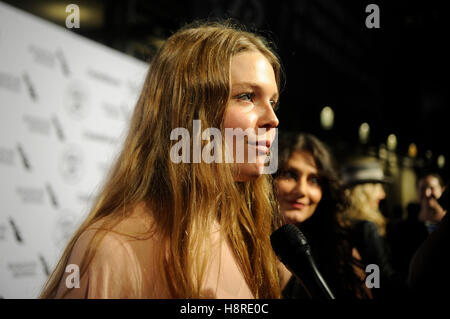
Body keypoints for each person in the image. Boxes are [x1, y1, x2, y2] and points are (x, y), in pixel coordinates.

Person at [39, 20, 283, 298]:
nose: (272, 120)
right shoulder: (113, 249)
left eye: (273, 101)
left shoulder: (246, 237)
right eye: (247, 96)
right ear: (187, 111)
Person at [273, 132, 371, 299]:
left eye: (314, 180)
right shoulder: (241, 244)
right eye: (290, 175)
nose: (302, 191)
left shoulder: (341, 251)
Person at [340, 159, 404, 298]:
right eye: (377, 186)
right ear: (363, 191)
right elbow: (381, 278)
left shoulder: (342, 224)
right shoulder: (366, 227)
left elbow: (371, 274)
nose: (383, 194)